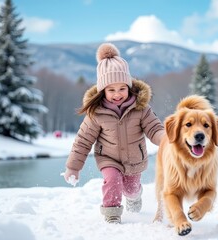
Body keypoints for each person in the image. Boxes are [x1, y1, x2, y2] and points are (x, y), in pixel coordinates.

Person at [63, 43, 165, 224]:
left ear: (129, 87)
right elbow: (83, 141)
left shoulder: (140, 108)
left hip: (135, 159)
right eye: (111, 90)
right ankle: (112, 214)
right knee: (112, 181)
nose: (117, 94)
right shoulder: (96, 113)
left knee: (131, 190)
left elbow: (154, 128)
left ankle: (135, 196)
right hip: (108, 158)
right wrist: (73, 167)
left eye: (122, 89)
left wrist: (166, 139)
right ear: (103, 91)